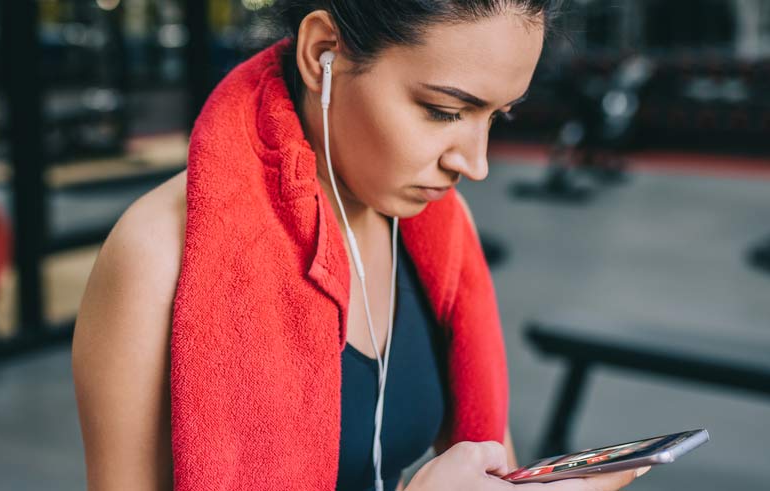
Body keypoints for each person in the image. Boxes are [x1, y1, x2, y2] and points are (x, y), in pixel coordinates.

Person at [73, 1, 647, 489]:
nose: (474, 163)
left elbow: (494, 457)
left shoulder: (443, 232)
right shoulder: (157, 257)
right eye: (444, 111)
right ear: (323, 52)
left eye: (497, 115)